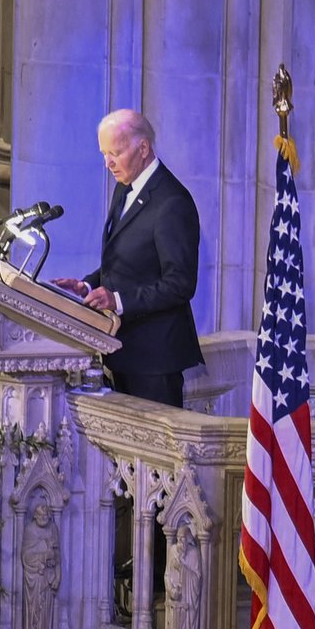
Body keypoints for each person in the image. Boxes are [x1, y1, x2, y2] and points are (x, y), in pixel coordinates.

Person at [77, 104, 206, 405]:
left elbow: (180, 284)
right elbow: (126, 262)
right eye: (104, 154)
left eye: (115, 153)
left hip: (154, 362)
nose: (108, 162)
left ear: (143, 148)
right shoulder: (125, 187)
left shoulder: (172, 203)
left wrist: (117, 301)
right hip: (120, 352)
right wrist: (86, 286)